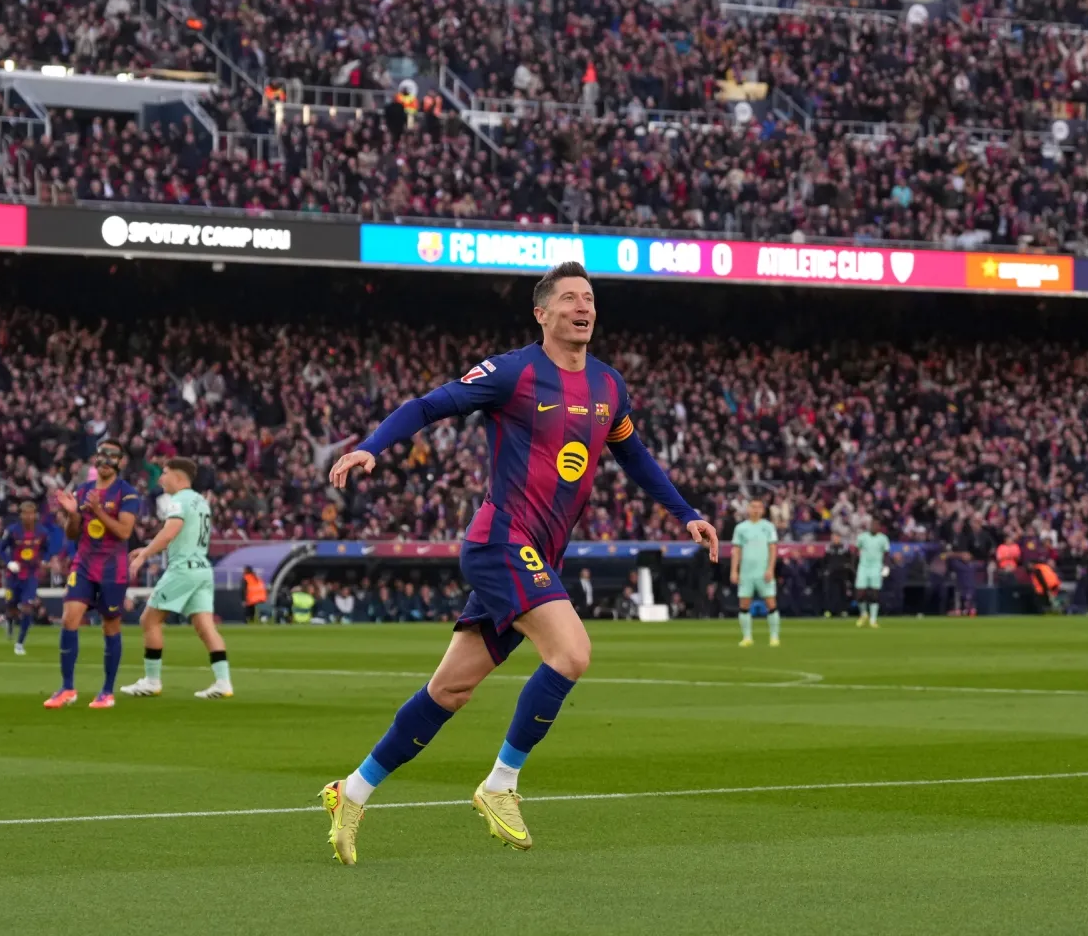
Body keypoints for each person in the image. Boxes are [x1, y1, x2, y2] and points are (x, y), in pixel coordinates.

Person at [318, 261, 718, 864]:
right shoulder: (512, 372)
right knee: (572, 652)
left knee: (449, 691)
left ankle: (352, 791)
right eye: (570, 299)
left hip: (538, 554)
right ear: (542, 312)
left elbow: (634, 456)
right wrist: (371, 448)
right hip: (501, 541)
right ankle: (500, 784)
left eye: (590, 298)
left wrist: (685, 511)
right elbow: (427, 407)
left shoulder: (609, 387)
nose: (583, 307)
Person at [121, 458, 233, 699]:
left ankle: (152, 681)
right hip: (203, 568)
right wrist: (147, 550)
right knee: (205, 627)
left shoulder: (179, 500)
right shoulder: (200, 501)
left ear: (179, 478)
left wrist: (144, 555)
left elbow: (170, 532)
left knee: (149, 620)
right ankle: (223, 682)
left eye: (165, 473)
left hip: (183, 569)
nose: (161, 478)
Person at [46, 440, 141, 709]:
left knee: (110, 625)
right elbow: (72, 534)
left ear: (120, 462)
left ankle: (107, 691)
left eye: (112, 455)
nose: (106, 459)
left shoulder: (128, 493)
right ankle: (67, 688)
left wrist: (97, 510)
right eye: (102, 454)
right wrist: (72, 514)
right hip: (84, 564)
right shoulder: (83, 490)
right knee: (69, 618)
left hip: (113, 568)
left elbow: (124, 532)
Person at [0, 499, 62, 656]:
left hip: (31, 575)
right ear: (20, 515)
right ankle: (11, 623)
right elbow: (0, 549)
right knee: (11, 606)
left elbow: (48, 549)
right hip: (13, 575)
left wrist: (45, 559)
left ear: (35, 515)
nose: (28, 516)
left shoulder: (42, 532)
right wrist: (9, 562)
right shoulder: (12, 531)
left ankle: (20, 643)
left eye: (31, 513)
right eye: (25, 513)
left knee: (27, 606)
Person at [730, 498, 779, 645]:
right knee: (744, 604)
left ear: (763, 510)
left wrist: (770, 568)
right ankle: (747, 637)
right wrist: (734, 571)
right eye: (753, 507)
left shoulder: (768, 527)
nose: (756, 510)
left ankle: (774, 637)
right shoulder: (740, 528)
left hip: (764, 571)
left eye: (759, 507)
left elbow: (773, 549)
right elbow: (736, 551)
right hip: (746, 572)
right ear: (748, 509)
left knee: (771, 603)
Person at [854, 517, 890, 629]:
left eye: (876, 525)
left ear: (879, 527)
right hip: (863, 567)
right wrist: (854, 565)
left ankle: (873, 619)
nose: (873, 527)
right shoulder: (862, 537)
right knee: (860, 592)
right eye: (872, 525)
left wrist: (886, 566)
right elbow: (855, 550)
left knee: (874, 593)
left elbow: (886, 553)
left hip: (876, 567)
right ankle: (864, 613)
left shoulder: (883, 539)